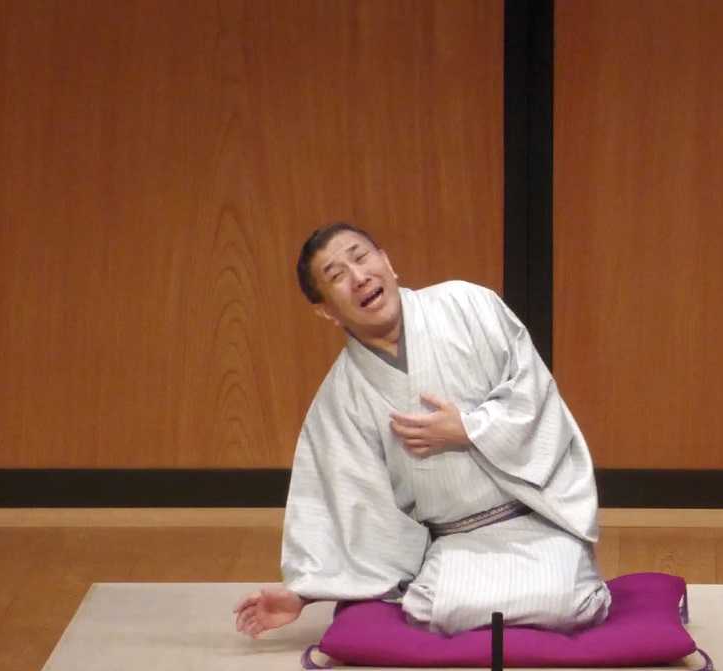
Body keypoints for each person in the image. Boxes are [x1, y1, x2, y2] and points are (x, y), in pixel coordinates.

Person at [233, 223, 610, 637]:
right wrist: (303, 593)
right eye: (337, 275)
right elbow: (348, 502)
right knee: (427, 608)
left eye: (361, 257)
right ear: (326, 310)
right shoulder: (342, 398)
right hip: (456, 543)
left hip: (535, 520)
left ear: (387, 262)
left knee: (570, 601)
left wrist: (468, 429)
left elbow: (534, 397)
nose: (359, 278)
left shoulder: (468, 305)